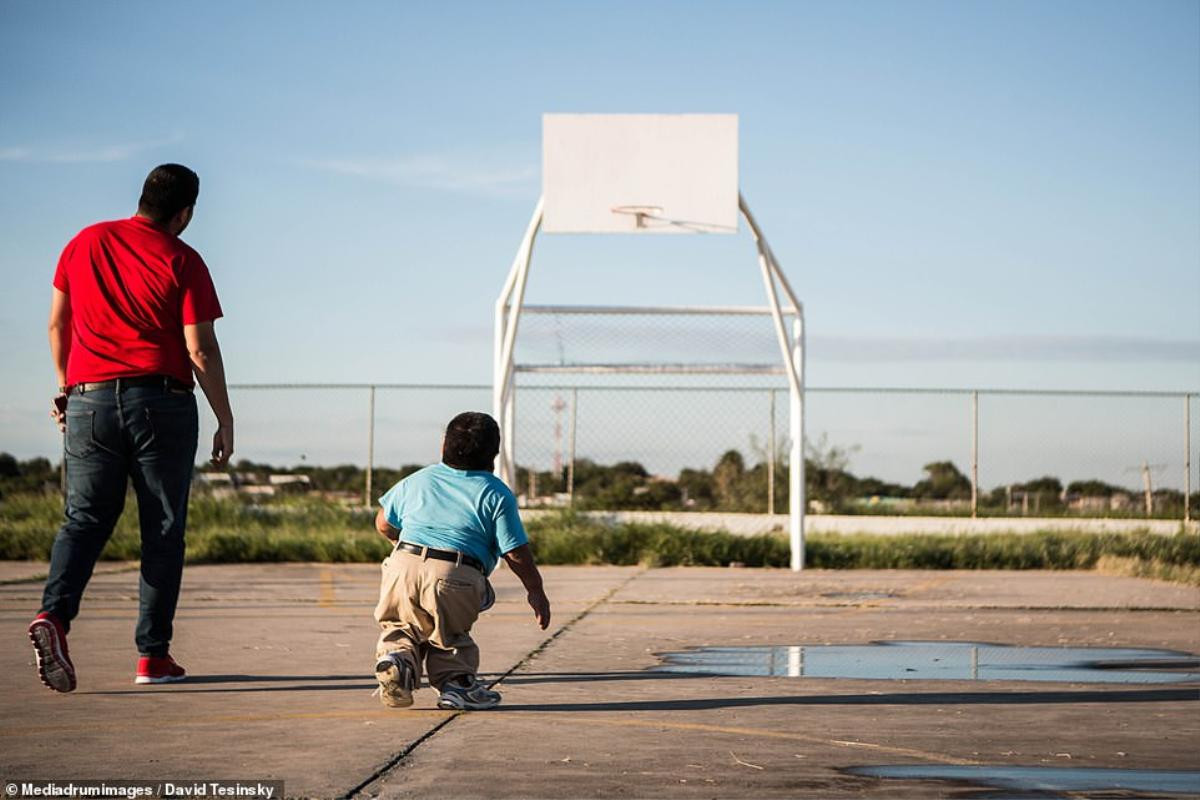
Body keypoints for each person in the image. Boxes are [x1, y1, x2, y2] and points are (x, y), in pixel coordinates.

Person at [28, 163, 233, 692]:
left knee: (84, 519)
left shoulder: (84, 242)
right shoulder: (183, 259)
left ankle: (54, 616)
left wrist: (67, 386)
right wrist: (224, 417)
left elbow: (58, 323)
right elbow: (200, 349)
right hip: (160, 402)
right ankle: (152, 657)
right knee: (162, 530)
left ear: (142, 197)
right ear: (184, 214)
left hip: (88, 399)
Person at [372, 411, 551, 710]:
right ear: (493, 455)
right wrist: (536, 590)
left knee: (400, 626)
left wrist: (401, 547)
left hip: (402, 564)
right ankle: (457, 685)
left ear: (443, 445)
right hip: (455, 572)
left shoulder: (418, 479)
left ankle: (397, 661)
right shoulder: (496, 493)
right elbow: (515, 552)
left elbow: (382, 523)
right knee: (449, 635)